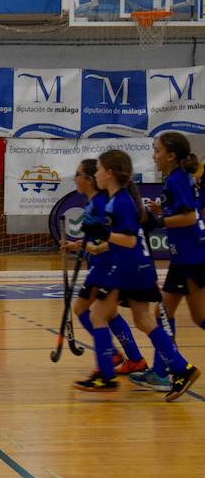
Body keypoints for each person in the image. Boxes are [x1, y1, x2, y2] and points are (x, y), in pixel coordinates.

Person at [77, 149, 199, 401]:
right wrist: (100, 241)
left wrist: (103, 233)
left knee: (99, 315)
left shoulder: (120, 201)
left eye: (98, 169)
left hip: (128, 267)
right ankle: (182, 368)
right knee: (144, 320)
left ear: (109, 173)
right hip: (139, 268)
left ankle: (107, 376)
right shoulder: (116, 199)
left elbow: (130, 241)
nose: (96, 173)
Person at [129, 133, 205, 391]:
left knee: (200, 317)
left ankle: (163, 372)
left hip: (193, 257)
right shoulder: (178, 178)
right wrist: (161, 214)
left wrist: (159, 221)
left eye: (157, 150)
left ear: (171, 155)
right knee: (162, 313)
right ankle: (161, 374)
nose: (154, 155)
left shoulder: (177, 180)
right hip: (183, 256)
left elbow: (190, 218)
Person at [62, 159, 147, 376]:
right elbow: (95, 239)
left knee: (87, 311)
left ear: (89, 180)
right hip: (101, 263)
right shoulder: (93, 202)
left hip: (106, 265)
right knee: (107, 314)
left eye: (78, 174)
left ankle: (110, 357)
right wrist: (77, 247)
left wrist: (93, 250)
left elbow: (109, 239)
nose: (74, 178)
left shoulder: (101, 203)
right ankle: (133, 359)